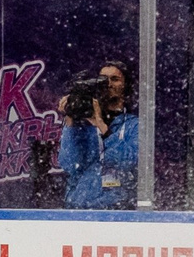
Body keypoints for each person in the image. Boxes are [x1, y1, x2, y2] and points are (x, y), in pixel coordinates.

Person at [54, 61, 138, 208]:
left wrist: (102, 126)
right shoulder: (83, 123)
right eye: (103, 80)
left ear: (126, 86)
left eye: (115, 79)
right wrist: (70, 121)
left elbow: (128, 162)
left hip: (116, 210)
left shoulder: (134, 125)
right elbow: (70, 165)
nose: (108, 84)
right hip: (78, 208)